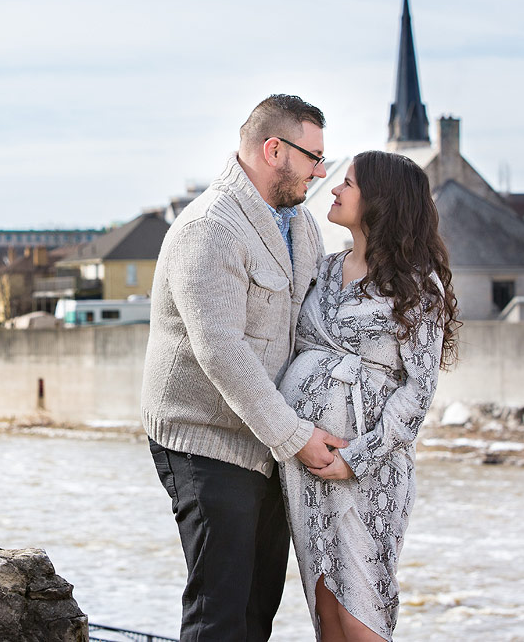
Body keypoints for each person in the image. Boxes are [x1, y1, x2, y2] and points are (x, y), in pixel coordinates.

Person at [142, 94, 350, 641]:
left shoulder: (300, 224)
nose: (321, 171)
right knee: (221, 612)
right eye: (313, 156)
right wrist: (296, 437)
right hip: (204, 438)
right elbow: (222, 352)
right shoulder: (209, 228)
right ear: (273, 149)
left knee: (259, 609)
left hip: (269, 442)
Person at [277, 150, 460, 642]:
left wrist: (357, 459)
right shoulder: (325, 269)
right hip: (305, 463)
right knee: (326, 609)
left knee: (364, 612)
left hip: (368, 469)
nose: (334, 189)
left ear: (380, 201)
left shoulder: (419, 285)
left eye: (349, 183)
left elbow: (418, 391)